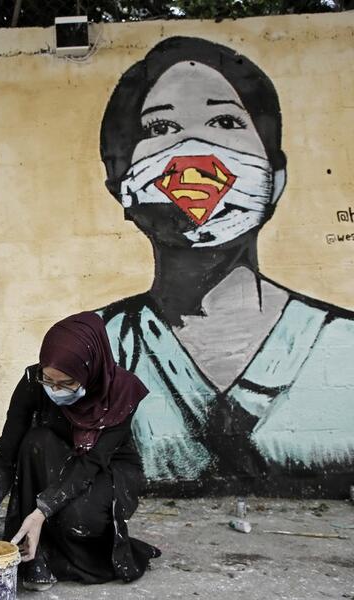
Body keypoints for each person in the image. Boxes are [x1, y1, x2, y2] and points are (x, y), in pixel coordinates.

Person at [97, 36, 354, 495]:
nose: (194, 150)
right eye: (159, 129)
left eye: (224, 121)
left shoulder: (344, 346)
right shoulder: (98, 345)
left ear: (275, 181)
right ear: (121, 185)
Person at [0, 312, 159, 592]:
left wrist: (42, 511)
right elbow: (6, 449)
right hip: (50, 457)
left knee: (77, 521)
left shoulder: (121, 393)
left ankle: (64, 545)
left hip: (107, 467)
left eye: (66, 383)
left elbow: (92, 461)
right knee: (35, 440)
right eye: (49, 380)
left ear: (90, 371)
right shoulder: (33, 381)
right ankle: (37, 557)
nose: (55, 390)